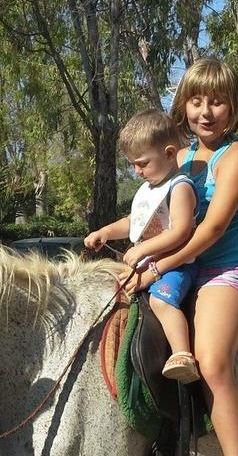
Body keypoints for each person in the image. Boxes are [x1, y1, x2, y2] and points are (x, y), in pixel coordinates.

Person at [123, 57, 238, 456]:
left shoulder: (237, 156)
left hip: (225, 268)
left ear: (233, 106)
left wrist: (158, 265)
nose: (207, 111)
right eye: (197, 100)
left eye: (218, 100)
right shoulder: (178, 158)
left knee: (212, 360)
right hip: (183, 266)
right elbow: (155, 218)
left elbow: (213, 227)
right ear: (183, 104)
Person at [85, 109, 201, 383]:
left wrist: (144, 249)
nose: (137, 171)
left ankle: (182, 354)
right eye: (133, 164)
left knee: (161, 301)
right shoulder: (149, 188)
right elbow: (131, 222)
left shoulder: (180, 187)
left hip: (176, 266)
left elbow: (182, 231)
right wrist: (105, 232)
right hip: (147, 263)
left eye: (143, 163)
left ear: (170, 154)